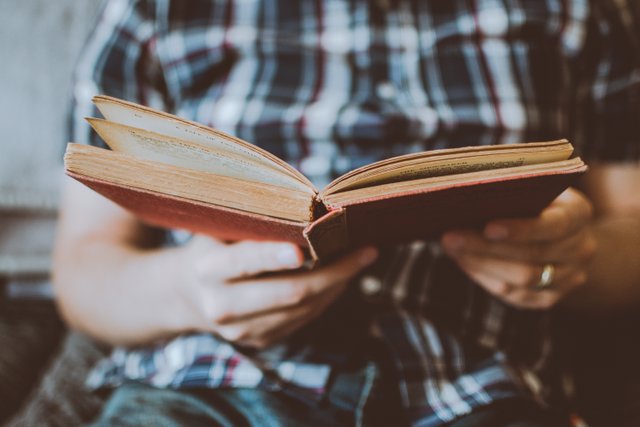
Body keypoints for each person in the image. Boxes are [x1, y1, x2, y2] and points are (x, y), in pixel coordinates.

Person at [51, 0, 640, 426]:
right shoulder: (155, 11)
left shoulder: (587, 12)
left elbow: (630, 229)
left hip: (484, 387)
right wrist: (190, 293)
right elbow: (82, 267)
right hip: (209, 383)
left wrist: (572, 258)